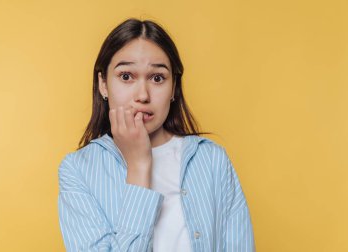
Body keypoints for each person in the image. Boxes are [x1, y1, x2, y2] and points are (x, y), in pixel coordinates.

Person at [58, 18, 255, 252]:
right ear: (103, 84)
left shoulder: (212, 160)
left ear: (173, 88)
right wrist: (139, 166)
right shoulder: (78, 170)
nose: (142, 95)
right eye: (126, 76)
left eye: (157, 78)